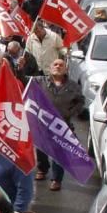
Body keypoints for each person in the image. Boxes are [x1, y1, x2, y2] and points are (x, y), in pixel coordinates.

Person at [34, 60, 84, 191]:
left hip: (62, 124)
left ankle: (56, 179)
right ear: (50, 68)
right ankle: (42, 168)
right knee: (41, 149)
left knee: (59, 152)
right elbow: (22, 80)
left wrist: (70, 112)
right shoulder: (40, 81)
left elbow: (80, 102)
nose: (58, 67)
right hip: (43, 123)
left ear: (66, 69)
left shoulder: (73, 86)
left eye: (61, 65)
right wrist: (20, 68)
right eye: (55, 64)